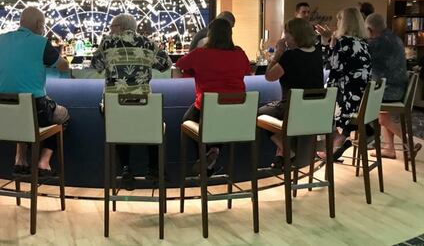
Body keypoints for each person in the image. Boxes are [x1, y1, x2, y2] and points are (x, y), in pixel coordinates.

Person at [91, 13, 172, 190]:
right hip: (143, 107)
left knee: (118, 121)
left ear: (119, 27)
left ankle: (126, 168)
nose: (110, 31)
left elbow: (95, 66)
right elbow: (166, 64)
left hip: (114, 108)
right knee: (155, 122)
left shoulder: (107, 42)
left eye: (112, 27)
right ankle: (154, 168)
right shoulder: (148, 43)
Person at [0, 7, 70, 176]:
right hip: (34, 109)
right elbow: (64, 66)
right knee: (63, 115)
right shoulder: (40, 42)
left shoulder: (1, 40)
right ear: (38, 24)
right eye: (43, 25)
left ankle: (20, 159)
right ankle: (43, 163)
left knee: (22, 116)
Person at [177, 17, 251, 175]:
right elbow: (247, 71)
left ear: (210, 34)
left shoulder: (200, 54)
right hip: (238, 111)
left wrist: (193, 72)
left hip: (208, 108)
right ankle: (214, 150)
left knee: (186, 122)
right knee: (222, 124)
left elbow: (179, 65)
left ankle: (204, 158)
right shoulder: (239, 53)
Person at [261, 18, 324, 168]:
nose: (284, 37)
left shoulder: (290, 56)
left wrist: (278, 52)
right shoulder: (317, 53)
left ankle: (288, 149)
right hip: (316, 111)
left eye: (286, 34)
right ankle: (282, 153)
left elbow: (269, 76)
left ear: (295, 36)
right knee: (279, 112)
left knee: (259, 114)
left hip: (294, 109)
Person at [316, 7, 372, 159]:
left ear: (345, 23)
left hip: (348, 101)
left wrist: (327, 43)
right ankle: (339, 142)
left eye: (339, 20)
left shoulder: (344, 42)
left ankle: (325, 146)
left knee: (316, 105)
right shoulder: (363, 43)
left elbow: (332, 69)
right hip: (361, 99)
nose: (337, 23)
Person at [365, 13, 420, 159]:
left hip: (390, 90)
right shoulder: (393, 37)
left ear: (369, 29)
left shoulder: (378, 43)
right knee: (382, 113)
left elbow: (363, 57)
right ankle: (389, 148)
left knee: (380, 116)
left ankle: (411, 144)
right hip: (397, 87)